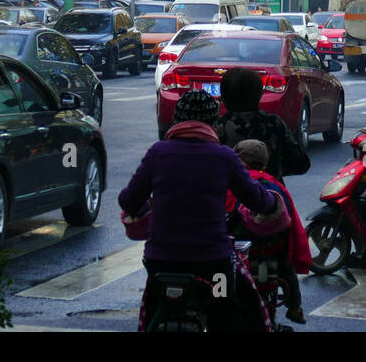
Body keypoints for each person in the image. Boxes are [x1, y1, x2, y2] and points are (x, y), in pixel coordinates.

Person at [119, 89, 279, 332]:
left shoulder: (158, 152)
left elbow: (129, 200)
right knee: (231, 309)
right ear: (213, 122)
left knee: (154, 306)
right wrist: (271, 204)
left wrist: (148, 206)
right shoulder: (224, 157)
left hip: (161, 261)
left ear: (177, 120)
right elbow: (257, 199)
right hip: (212, 262)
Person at [228, 139, 311, 324]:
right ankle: (295, 307)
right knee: (286, 268)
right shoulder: (276, 185)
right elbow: (293, 224)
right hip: (274, 249)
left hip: (241, 251)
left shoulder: (232, 183)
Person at [214, 68, 310, 181]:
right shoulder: (273, 123)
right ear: (258, 95)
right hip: (270, 190)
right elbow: (300, 163)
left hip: (228, 194)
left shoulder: (218, 128)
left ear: (224, 97)